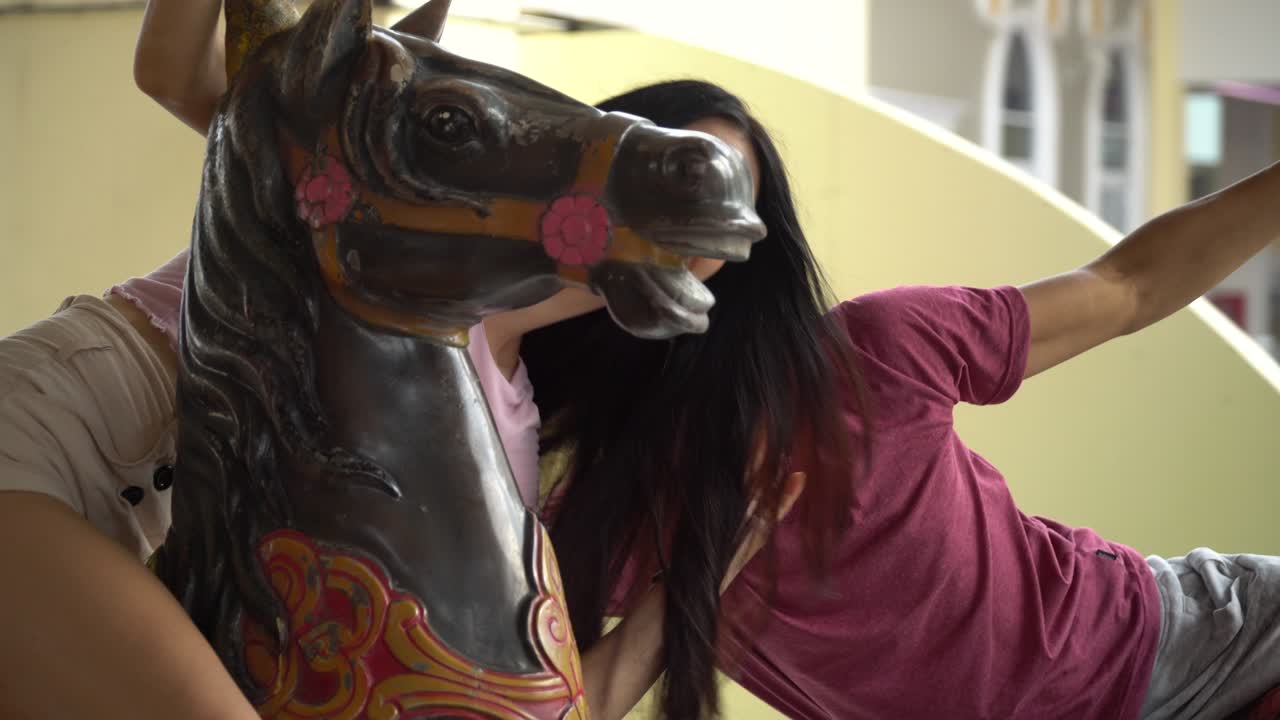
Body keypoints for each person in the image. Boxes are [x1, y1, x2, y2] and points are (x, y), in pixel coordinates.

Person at [3, 3, 1280, 720]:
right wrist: (702, 571)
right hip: (75, 461)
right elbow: (202, 81)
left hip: (1189, 647)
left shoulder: (868, 358)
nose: (697, 232)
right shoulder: (454, 319)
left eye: (726, 207)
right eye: (672, 170)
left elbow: (1127, 285)